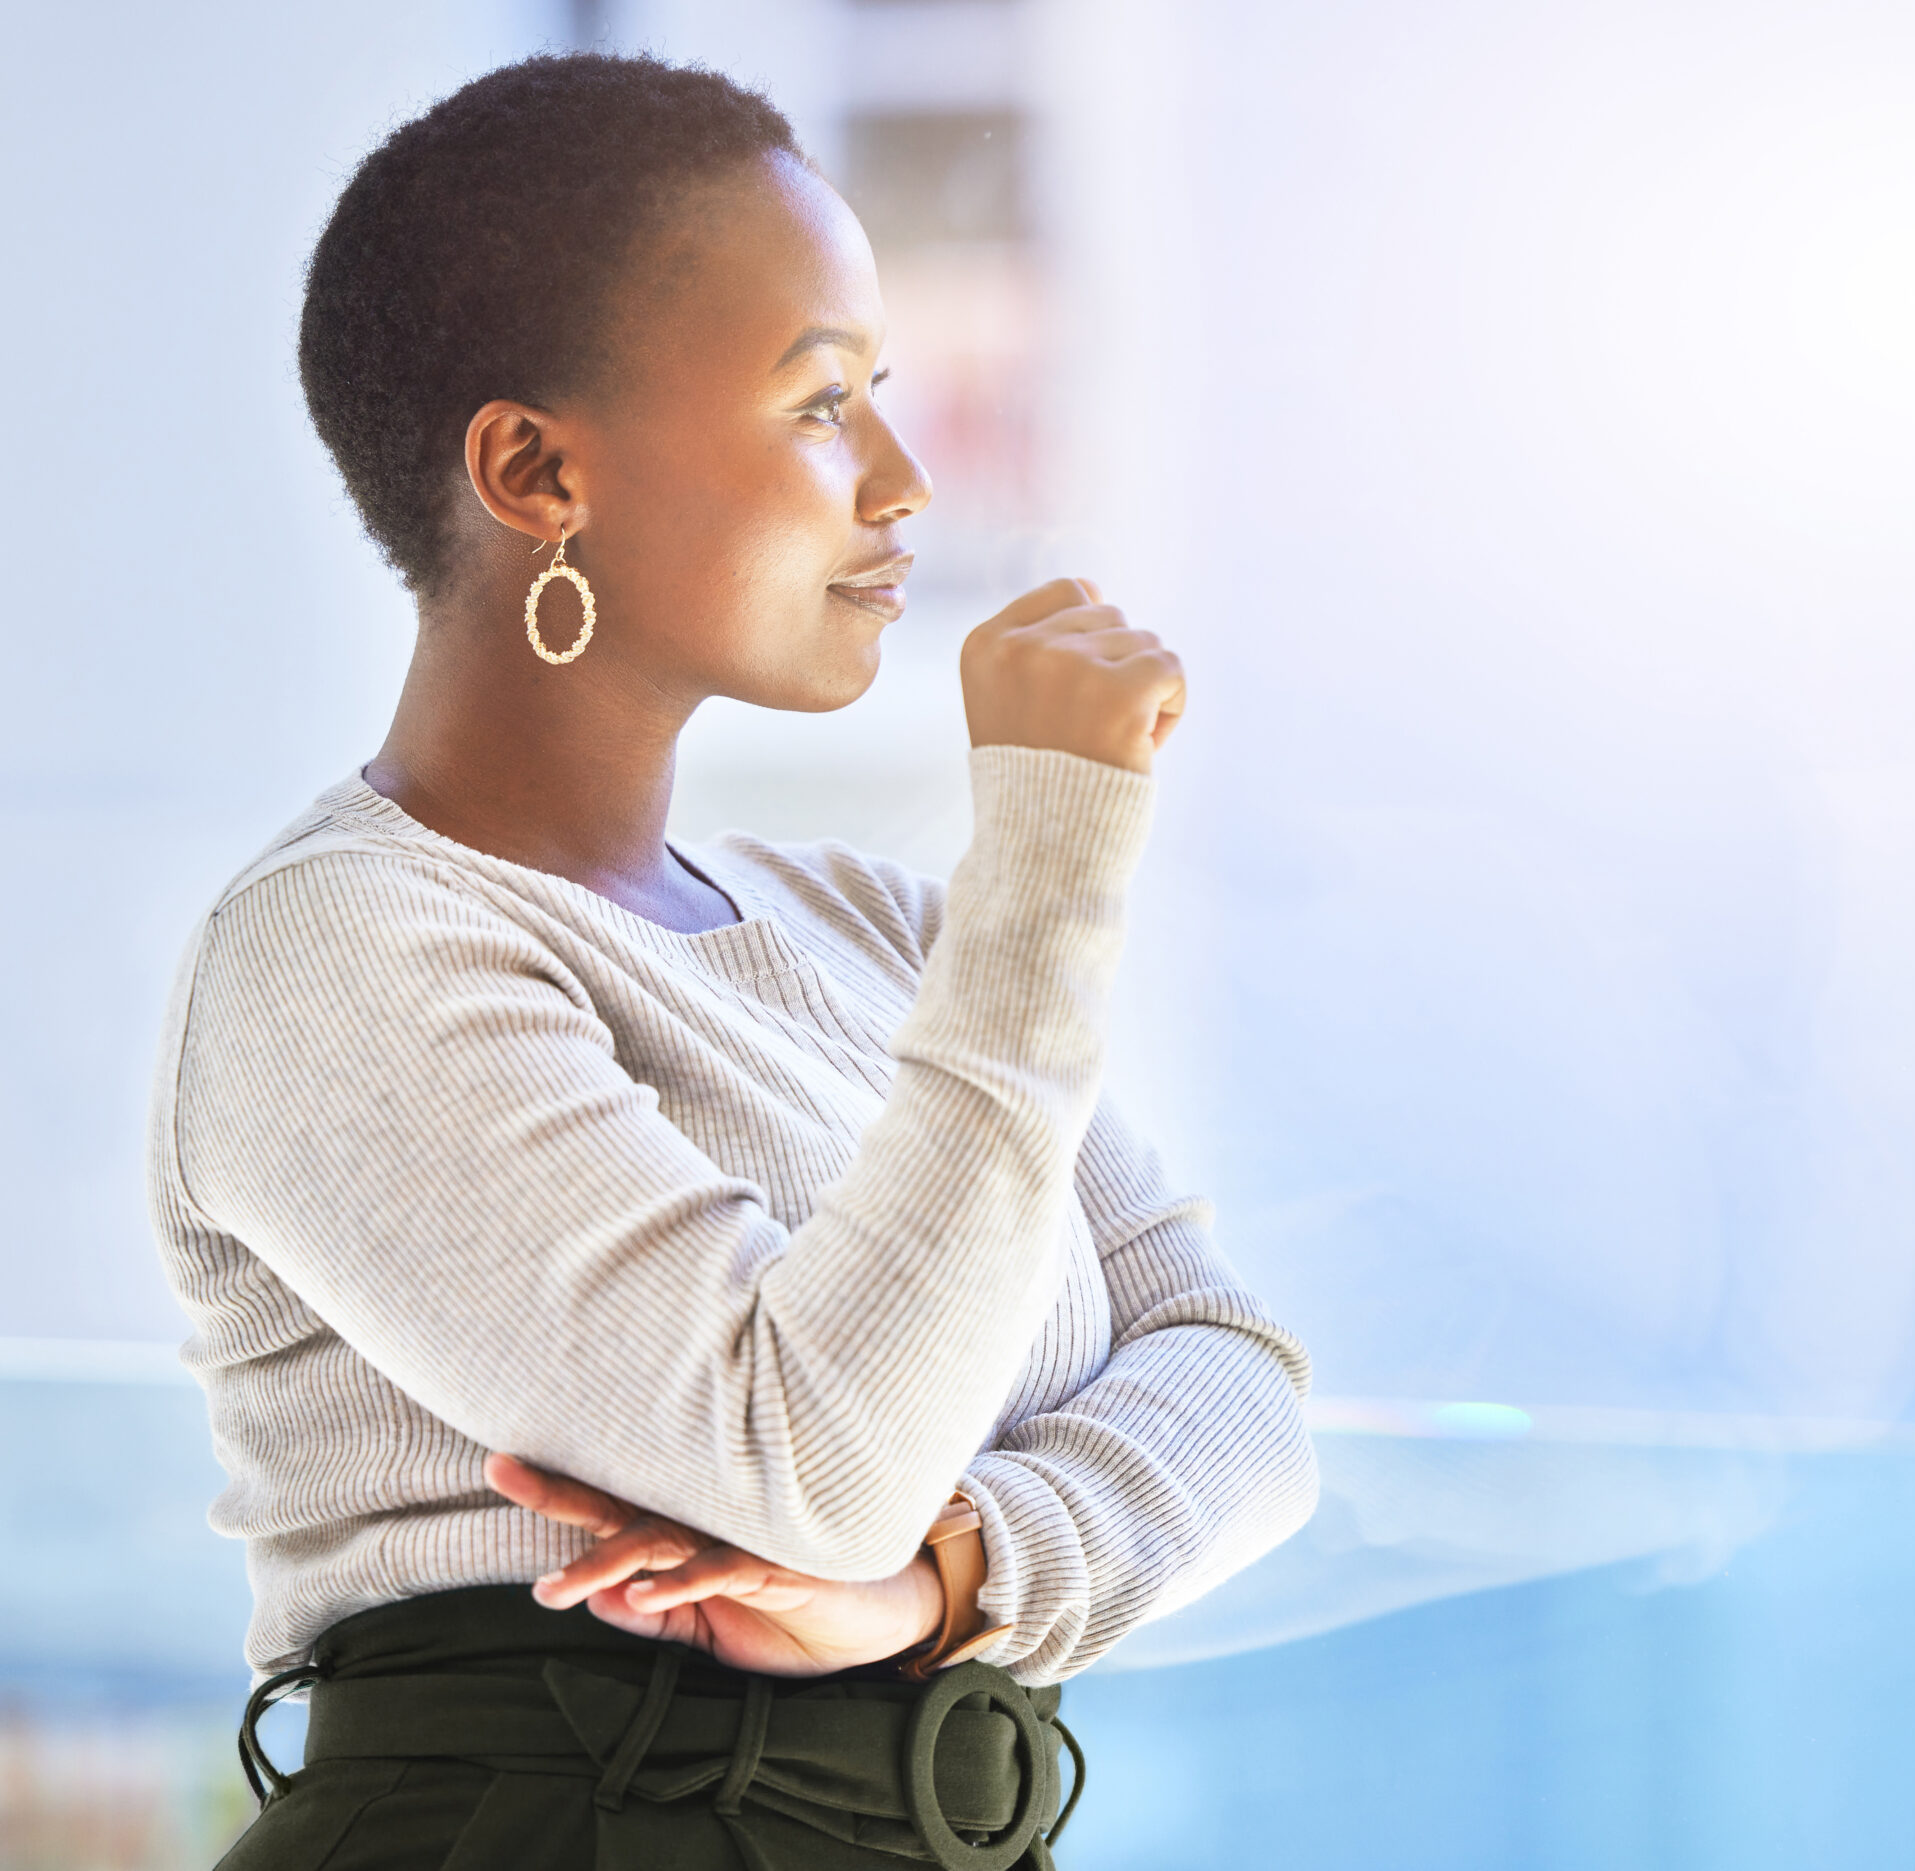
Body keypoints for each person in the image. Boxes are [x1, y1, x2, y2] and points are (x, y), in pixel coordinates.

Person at [146, 52, 1319, 1870]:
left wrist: (948, 1578)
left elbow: (1238, 1377)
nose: (907, 482)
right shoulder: (342, 948)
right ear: (535, 471)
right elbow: (809, 1457)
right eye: (822, 404)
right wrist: (1050, 851)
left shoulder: (872, 928)